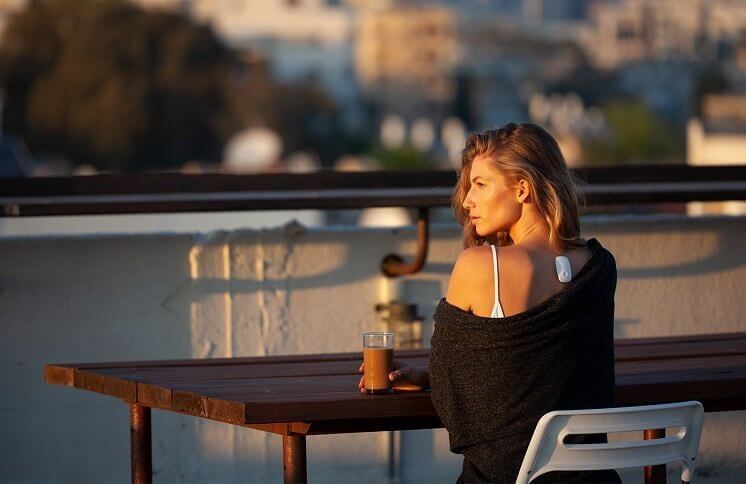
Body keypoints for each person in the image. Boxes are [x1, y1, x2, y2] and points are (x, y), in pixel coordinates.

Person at [359, 122, 620, 483]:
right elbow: (561, 374)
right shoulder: (600, 267)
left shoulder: (482, 265)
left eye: (480, 184)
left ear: (522, 190)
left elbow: (454, 400)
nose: (467, 200)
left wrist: (437, 377)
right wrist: (432, 376)